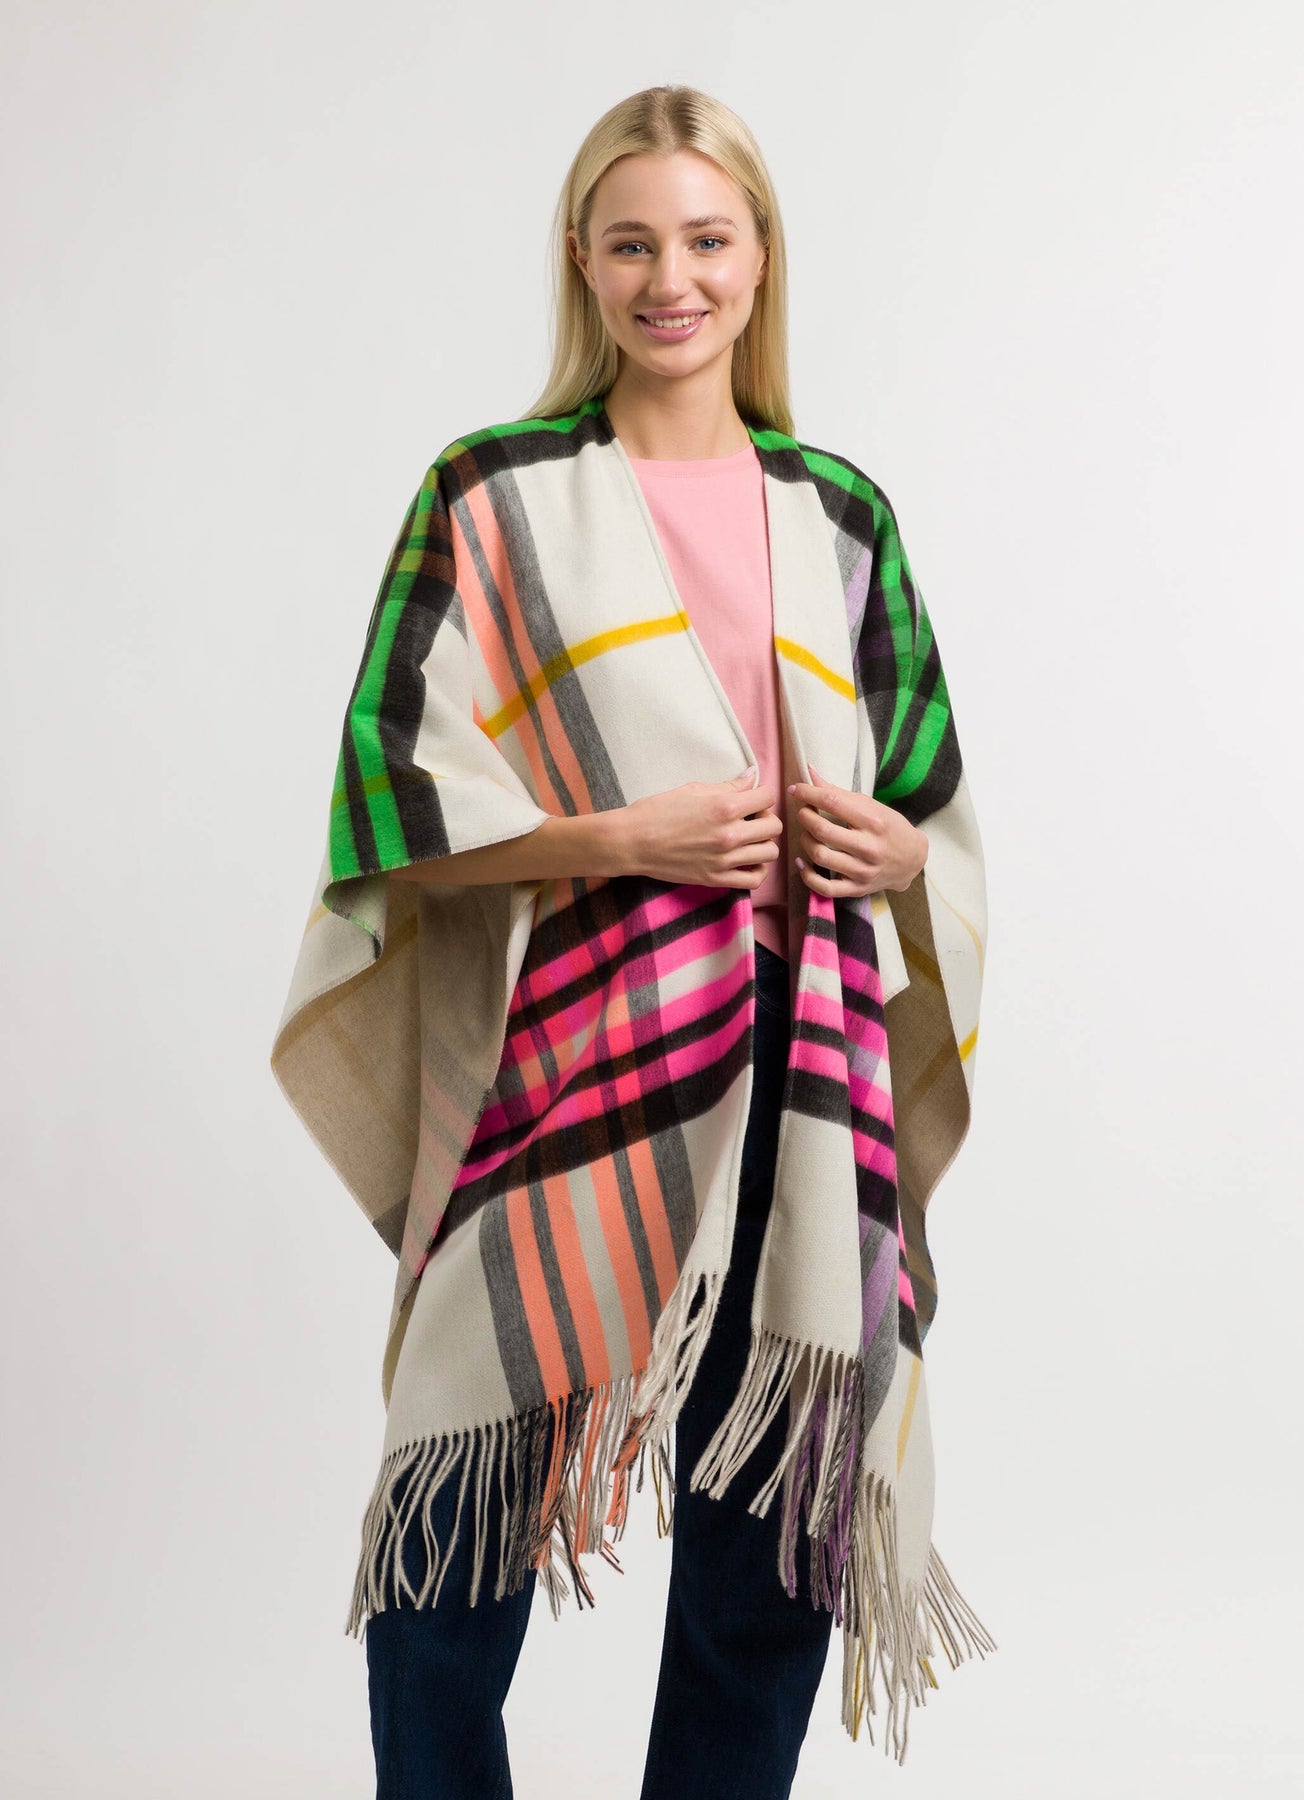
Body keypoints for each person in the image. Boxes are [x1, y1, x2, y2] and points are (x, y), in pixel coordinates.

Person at [271, 81, 993, 1800]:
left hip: (803, 1081)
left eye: (707, 240)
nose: (672, 280)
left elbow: (926, 802)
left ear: (760, 259)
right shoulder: (493, 497)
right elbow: (385, 797)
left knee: (765, 1568)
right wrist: (614, 841)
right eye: (631, 245)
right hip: (574, 1067)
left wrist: (897, 850)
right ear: (583, 265)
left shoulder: (837, 512)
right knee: (455, 1543)